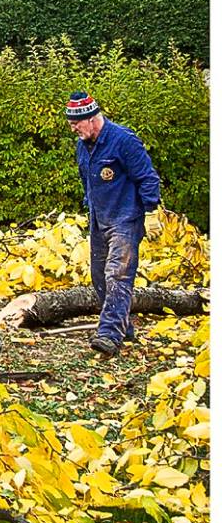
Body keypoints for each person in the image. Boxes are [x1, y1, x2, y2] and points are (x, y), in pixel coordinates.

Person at [66, 91, 161, 357]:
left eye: (77, 123)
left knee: (117, 274)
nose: (73, 128)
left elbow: (147, 177)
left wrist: (151, 211)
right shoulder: (82, 146)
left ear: (93, 118)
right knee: (99, 277)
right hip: (100, 219)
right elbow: (87, 180)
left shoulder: (123, 140)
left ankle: (109, 335)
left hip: (125, 219)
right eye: (70, 123)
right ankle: (125, 327)